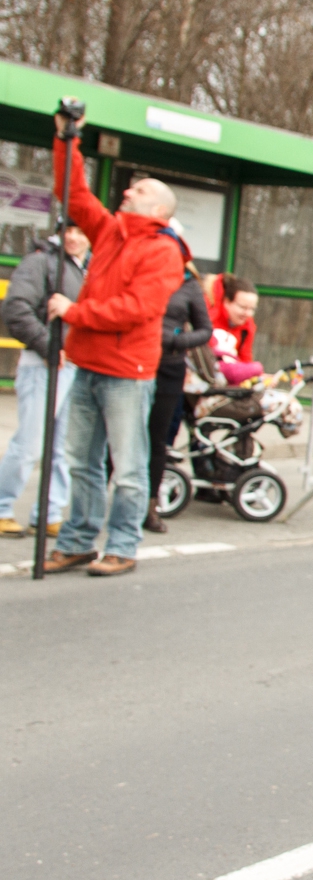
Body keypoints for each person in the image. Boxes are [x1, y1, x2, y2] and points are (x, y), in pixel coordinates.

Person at [42, 113, 185, 577]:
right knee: (81, 462)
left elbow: (136, 309)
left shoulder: (162, 252)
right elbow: (74, 191)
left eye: (139, 190)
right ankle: (79, 540)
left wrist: (74, 312)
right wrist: (69, 137)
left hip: (127, 373)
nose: (127, 191)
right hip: (87, 364)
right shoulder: (109, 231)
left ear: (159, 210)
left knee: (127, 467)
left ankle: (123, 544)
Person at [0, 226, 88, 539]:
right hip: (44, 364)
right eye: (69, 230)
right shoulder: (40, 262)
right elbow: (16, 308)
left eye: (81, 231)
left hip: (71, 366)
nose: (74, 237)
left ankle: (49, 512)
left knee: (59, 445)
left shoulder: (81, 267)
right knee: (30, 442)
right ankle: (2, 508)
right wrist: (47, 345)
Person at [145, 251, 213, 534]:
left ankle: (149, 508)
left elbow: (204, 330)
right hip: (134, 363)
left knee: (156, 439)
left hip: (169, 367)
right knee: (118, 437)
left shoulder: (188, 285)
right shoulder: (143, 274)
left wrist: (176, 341)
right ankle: (98, 505)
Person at [205, 273, 262, 385]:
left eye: (252, 309)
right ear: (226, 302)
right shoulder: (210, 317)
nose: (248, 314)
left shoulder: (247, 328)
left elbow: (245, 358)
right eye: (242, 307)